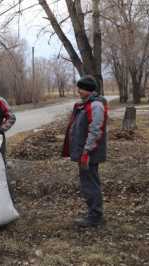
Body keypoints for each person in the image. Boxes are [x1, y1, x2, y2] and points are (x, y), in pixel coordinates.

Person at [62, 75, 108, 228]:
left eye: (80, 88)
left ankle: (95, 216)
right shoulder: (85, 104)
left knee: (90, 183)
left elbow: (96, 131)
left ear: (88, 90)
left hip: (89, 153)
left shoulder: (95, 106)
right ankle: (93, 213)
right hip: (85, 152)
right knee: (88, 182)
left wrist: (86, 152)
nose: (78, 91)